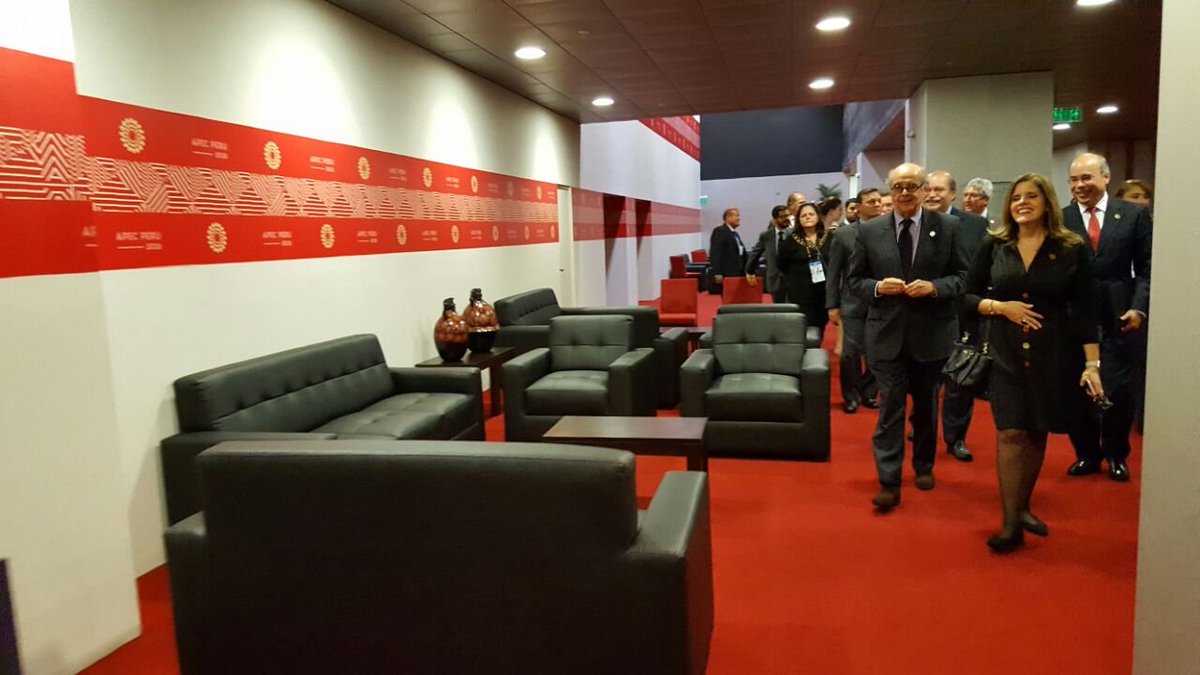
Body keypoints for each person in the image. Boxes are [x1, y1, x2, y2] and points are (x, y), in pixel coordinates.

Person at [963, 173, 1101, 553]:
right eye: (1016, 198)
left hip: (1053, 353)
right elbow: (966, 296)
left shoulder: (1071, 248)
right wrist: (999, 307)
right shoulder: (995, 244)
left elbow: (1086, 310)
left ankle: (1022, 506)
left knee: (1037, 430)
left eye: (1031, 197)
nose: (1022, 203)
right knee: (1010, 432)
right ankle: (1011, 523)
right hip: (1004, 351)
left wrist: (1092, 364)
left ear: (1047, 203)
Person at [848, 164, 968, 510]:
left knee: (927, 406)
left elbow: (963, 277)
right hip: (885, 334)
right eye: (898, 186)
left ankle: (924, 466)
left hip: (932, 335)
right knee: (890, 407)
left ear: (923, 189)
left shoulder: (948, 227)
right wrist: (876, 287)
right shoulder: (869, 230)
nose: (904, 193)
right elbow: (854, 281)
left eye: (911, 186)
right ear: (890, 190)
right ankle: (888, 479)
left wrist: (934, 287)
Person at [1063, 153, 1153, 481]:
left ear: (1106, 177)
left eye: (1086, 178)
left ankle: (1116, 453)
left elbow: (1147, 267)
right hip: (1074, 316)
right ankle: (1086, 453)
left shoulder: (1133, 214)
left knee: (1118, 390)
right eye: (1074, 180)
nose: (1079, 185)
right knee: (1077, 387)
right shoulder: (1060, 218)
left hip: (1121, 315)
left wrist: (1139, 307)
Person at [925, 170, 991, 462]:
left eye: (938, 189)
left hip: (963, 312)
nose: (931, 194)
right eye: (927, 189)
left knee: (960, 380)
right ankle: (922, 425)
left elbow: (983, 267)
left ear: (953, 194)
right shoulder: (913, 222)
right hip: (923, 313)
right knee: (925, 378)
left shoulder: (975, 225)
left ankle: (956, 437)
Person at [827, 197, 878, 413]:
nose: (877, 204)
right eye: (872, 201)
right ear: (859, 207)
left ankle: (869, 392)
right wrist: (832, 304)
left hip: (882, 302)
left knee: (878, 352)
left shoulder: (891, 231)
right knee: (850, 353)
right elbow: (833, 273)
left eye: (879, 201)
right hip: (851, 302)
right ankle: (851, 395)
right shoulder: (843, 235)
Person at [778, 202, 831, 339]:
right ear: (799, 219)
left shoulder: (829, 238)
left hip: (824, 290)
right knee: (805, 326)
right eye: (804, 215)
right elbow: (782, 264)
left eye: (811, 214)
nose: (807, 217)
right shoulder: (791, 241)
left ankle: (816, 346)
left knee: (820, 324)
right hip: (800, 291)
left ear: (818, 217)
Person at [745, 205, 792, 304]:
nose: (786, 219)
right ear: (774, 219)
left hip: (793, 280)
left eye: (787, 215)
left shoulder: (794, 234)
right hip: (774, 280)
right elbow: (755, 254)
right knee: (779, 309)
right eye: (782, 216)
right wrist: (749, 271)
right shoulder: (766, 236)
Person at [708, 207, 747, 295]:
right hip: (727, 274)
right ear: (728, 217)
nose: (739, 218)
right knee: (729, 298)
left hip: (738, 273)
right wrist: (717, 273)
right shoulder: (720, 231)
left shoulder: (734, 233)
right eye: (736, 216)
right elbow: (716, 253)